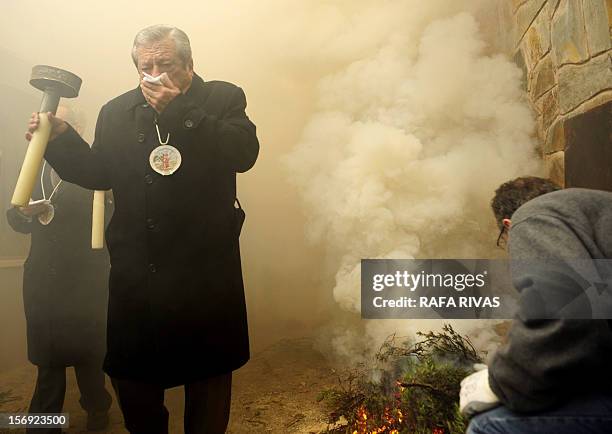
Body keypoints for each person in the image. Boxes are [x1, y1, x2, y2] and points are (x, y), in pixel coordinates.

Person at [25, 25, 259, 434]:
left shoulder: (222, 97)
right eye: (145, 66)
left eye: (165, 65)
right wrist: (62, 140)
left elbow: (244, 153)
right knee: (134, 385)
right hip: (139, 278)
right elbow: (99, 172)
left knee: (207, 390)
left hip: (205, 279)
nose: (154, 75)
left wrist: (182, 112)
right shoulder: (116, 111)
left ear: (189, 64)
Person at [461, 176, 612, 433]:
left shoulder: (533, 216)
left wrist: (499, 382)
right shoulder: (595, 209)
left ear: (508, 226)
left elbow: (562, 319)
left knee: (487, 425)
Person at [8, 105, 113, 433]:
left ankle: (98, 410)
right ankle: (44, 425)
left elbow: (110, 223)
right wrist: (24, 213)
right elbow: (14, 217)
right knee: (48, 363)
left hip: (85, 281)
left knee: (89, 359)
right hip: (43, 282)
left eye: (58, 120)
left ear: (76, 126)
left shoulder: (94, 169)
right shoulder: (32, 165)